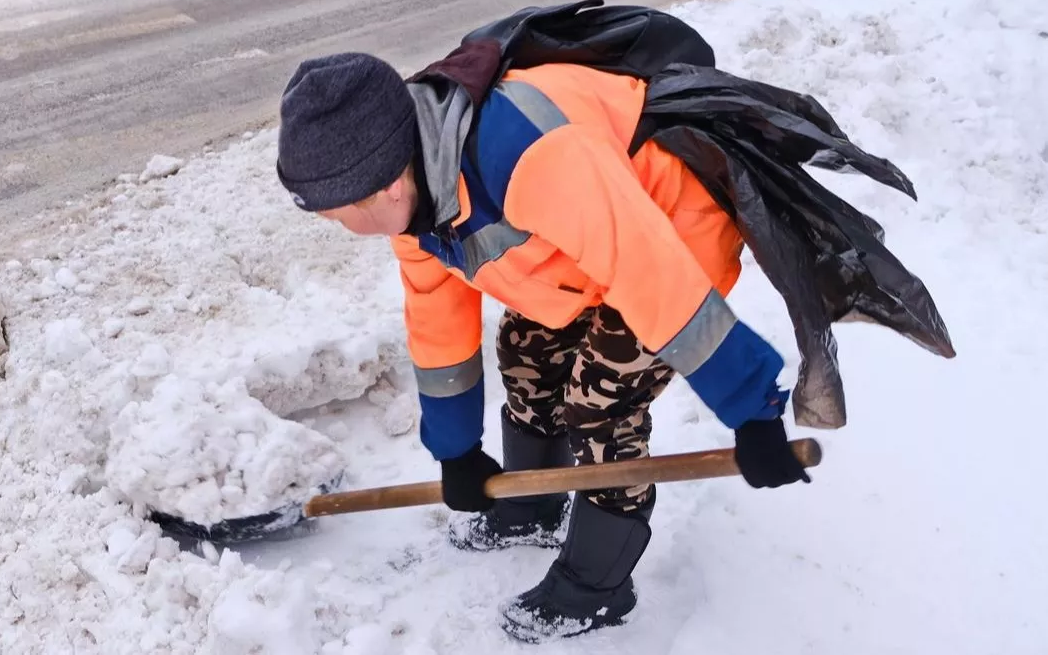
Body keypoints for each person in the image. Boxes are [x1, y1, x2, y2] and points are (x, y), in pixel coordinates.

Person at [277, 55, 811, 641]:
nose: (335, 225)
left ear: (384, 186)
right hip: (580, 248)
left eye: (335, 215)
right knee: (525, 349)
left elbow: (649, 271)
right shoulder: (416, 199)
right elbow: (437, 319)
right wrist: (456, 450)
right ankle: (535, 502)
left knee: (601, 400)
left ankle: (599, 585)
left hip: (672, 232)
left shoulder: (532, 155)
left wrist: (752, 413)